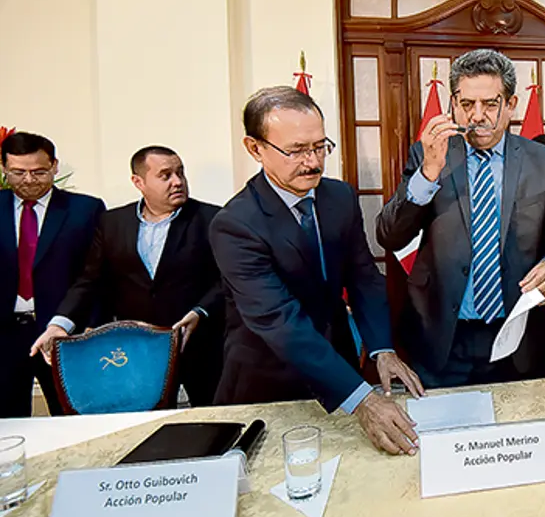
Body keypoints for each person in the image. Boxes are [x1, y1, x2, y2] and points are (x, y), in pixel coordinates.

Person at [211, 86, 424, 455]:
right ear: (255, 148)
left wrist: (382, 348)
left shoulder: (338, 197)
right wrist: (363, 400)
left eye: (319, 146)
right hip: (270, 379)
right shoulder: (235, 225)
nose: (312, 162)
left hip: (338, 369)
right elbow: (282, 322)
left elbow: (362, 277)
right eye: (295, 150)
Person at [377, 49, 545, 387]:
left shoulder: (543, 162)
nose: (477, 116)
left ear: (511, 105)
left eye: (490, 104)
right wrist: (428, 175)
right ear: (453, 104)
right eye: (467, 104)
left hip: (517, 333)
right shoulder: (430, 154)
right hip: (443, 335)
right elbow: (390, 235)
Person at [30, 146, 224, 406]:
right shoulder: (113, 223)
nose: (177, 181)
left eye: (180, 173)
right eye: (165, 175)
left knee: (214, 419)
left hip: (201, 346)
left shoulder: (212, 218)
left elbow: (226, 279)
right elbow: (89, 281)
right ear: (138, 182)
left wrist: (200, 312)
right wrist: (59, 325)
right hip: (139, 350)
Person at [1, 132, 104, 417]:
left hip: (64, 332)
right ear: (4, 169)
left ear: (55, 166)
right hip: (5, 334)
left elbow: (95, 274)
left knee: (72, 416)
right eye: (18, 172)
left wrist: (92, 325)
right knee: (8, 424)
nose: (29, 180)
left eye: (39, 172)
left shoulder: (85, 209)